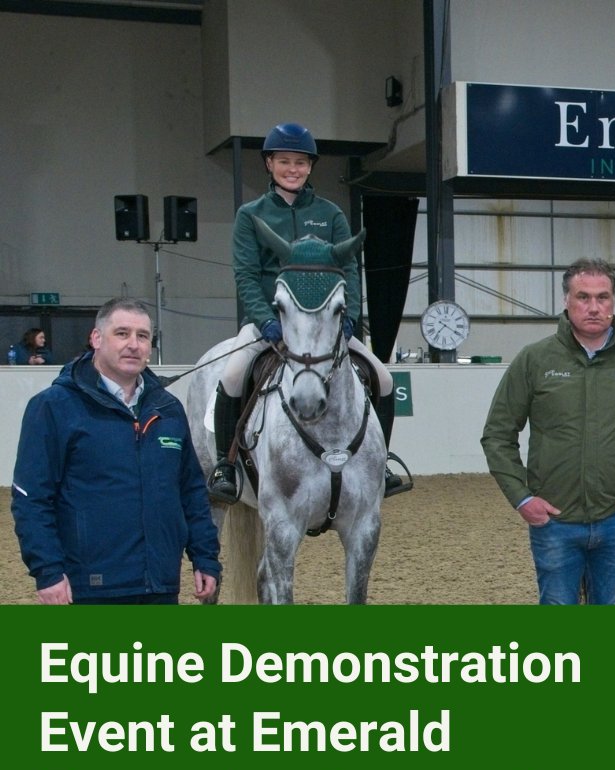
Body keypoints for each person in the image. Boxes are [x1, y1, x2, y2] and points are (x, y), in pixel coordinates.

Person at [206, 121, 408, 503]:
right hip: (269, 322)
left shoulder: (330, 213)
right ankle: (226, 464)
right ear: (269, 164)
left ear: (310, 166)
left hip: (324, 326)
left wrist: (349, 317)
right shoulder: (251, 215)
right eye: (284, 161)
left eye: (300, 162)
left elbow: (349, 270)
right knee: (232, 376)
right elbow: (246, 274)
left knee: (382, 379)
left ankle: (380, 464)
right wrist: (265, 319)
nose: (292, 169)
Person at [481, 257, 615, 605]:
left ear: (613, 302)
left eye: (602, 297)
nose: (593, 307)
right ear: (565, 301)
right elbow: (498, 435)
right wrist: (522, 498)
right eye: (583, 297)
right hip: (554, 523)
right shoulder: (535, 360)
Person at [11, 298, 220, 604]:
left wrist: (205, 557)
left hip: (160, 586)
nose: (133, 345)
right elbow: (31, 498)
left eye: (143, 336)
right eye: (122, 333)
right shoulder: (54, 407)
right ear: (96, 338)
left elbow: (190, 491)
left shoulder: (168, 410)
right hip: (90, 588)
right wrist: (48, 570)